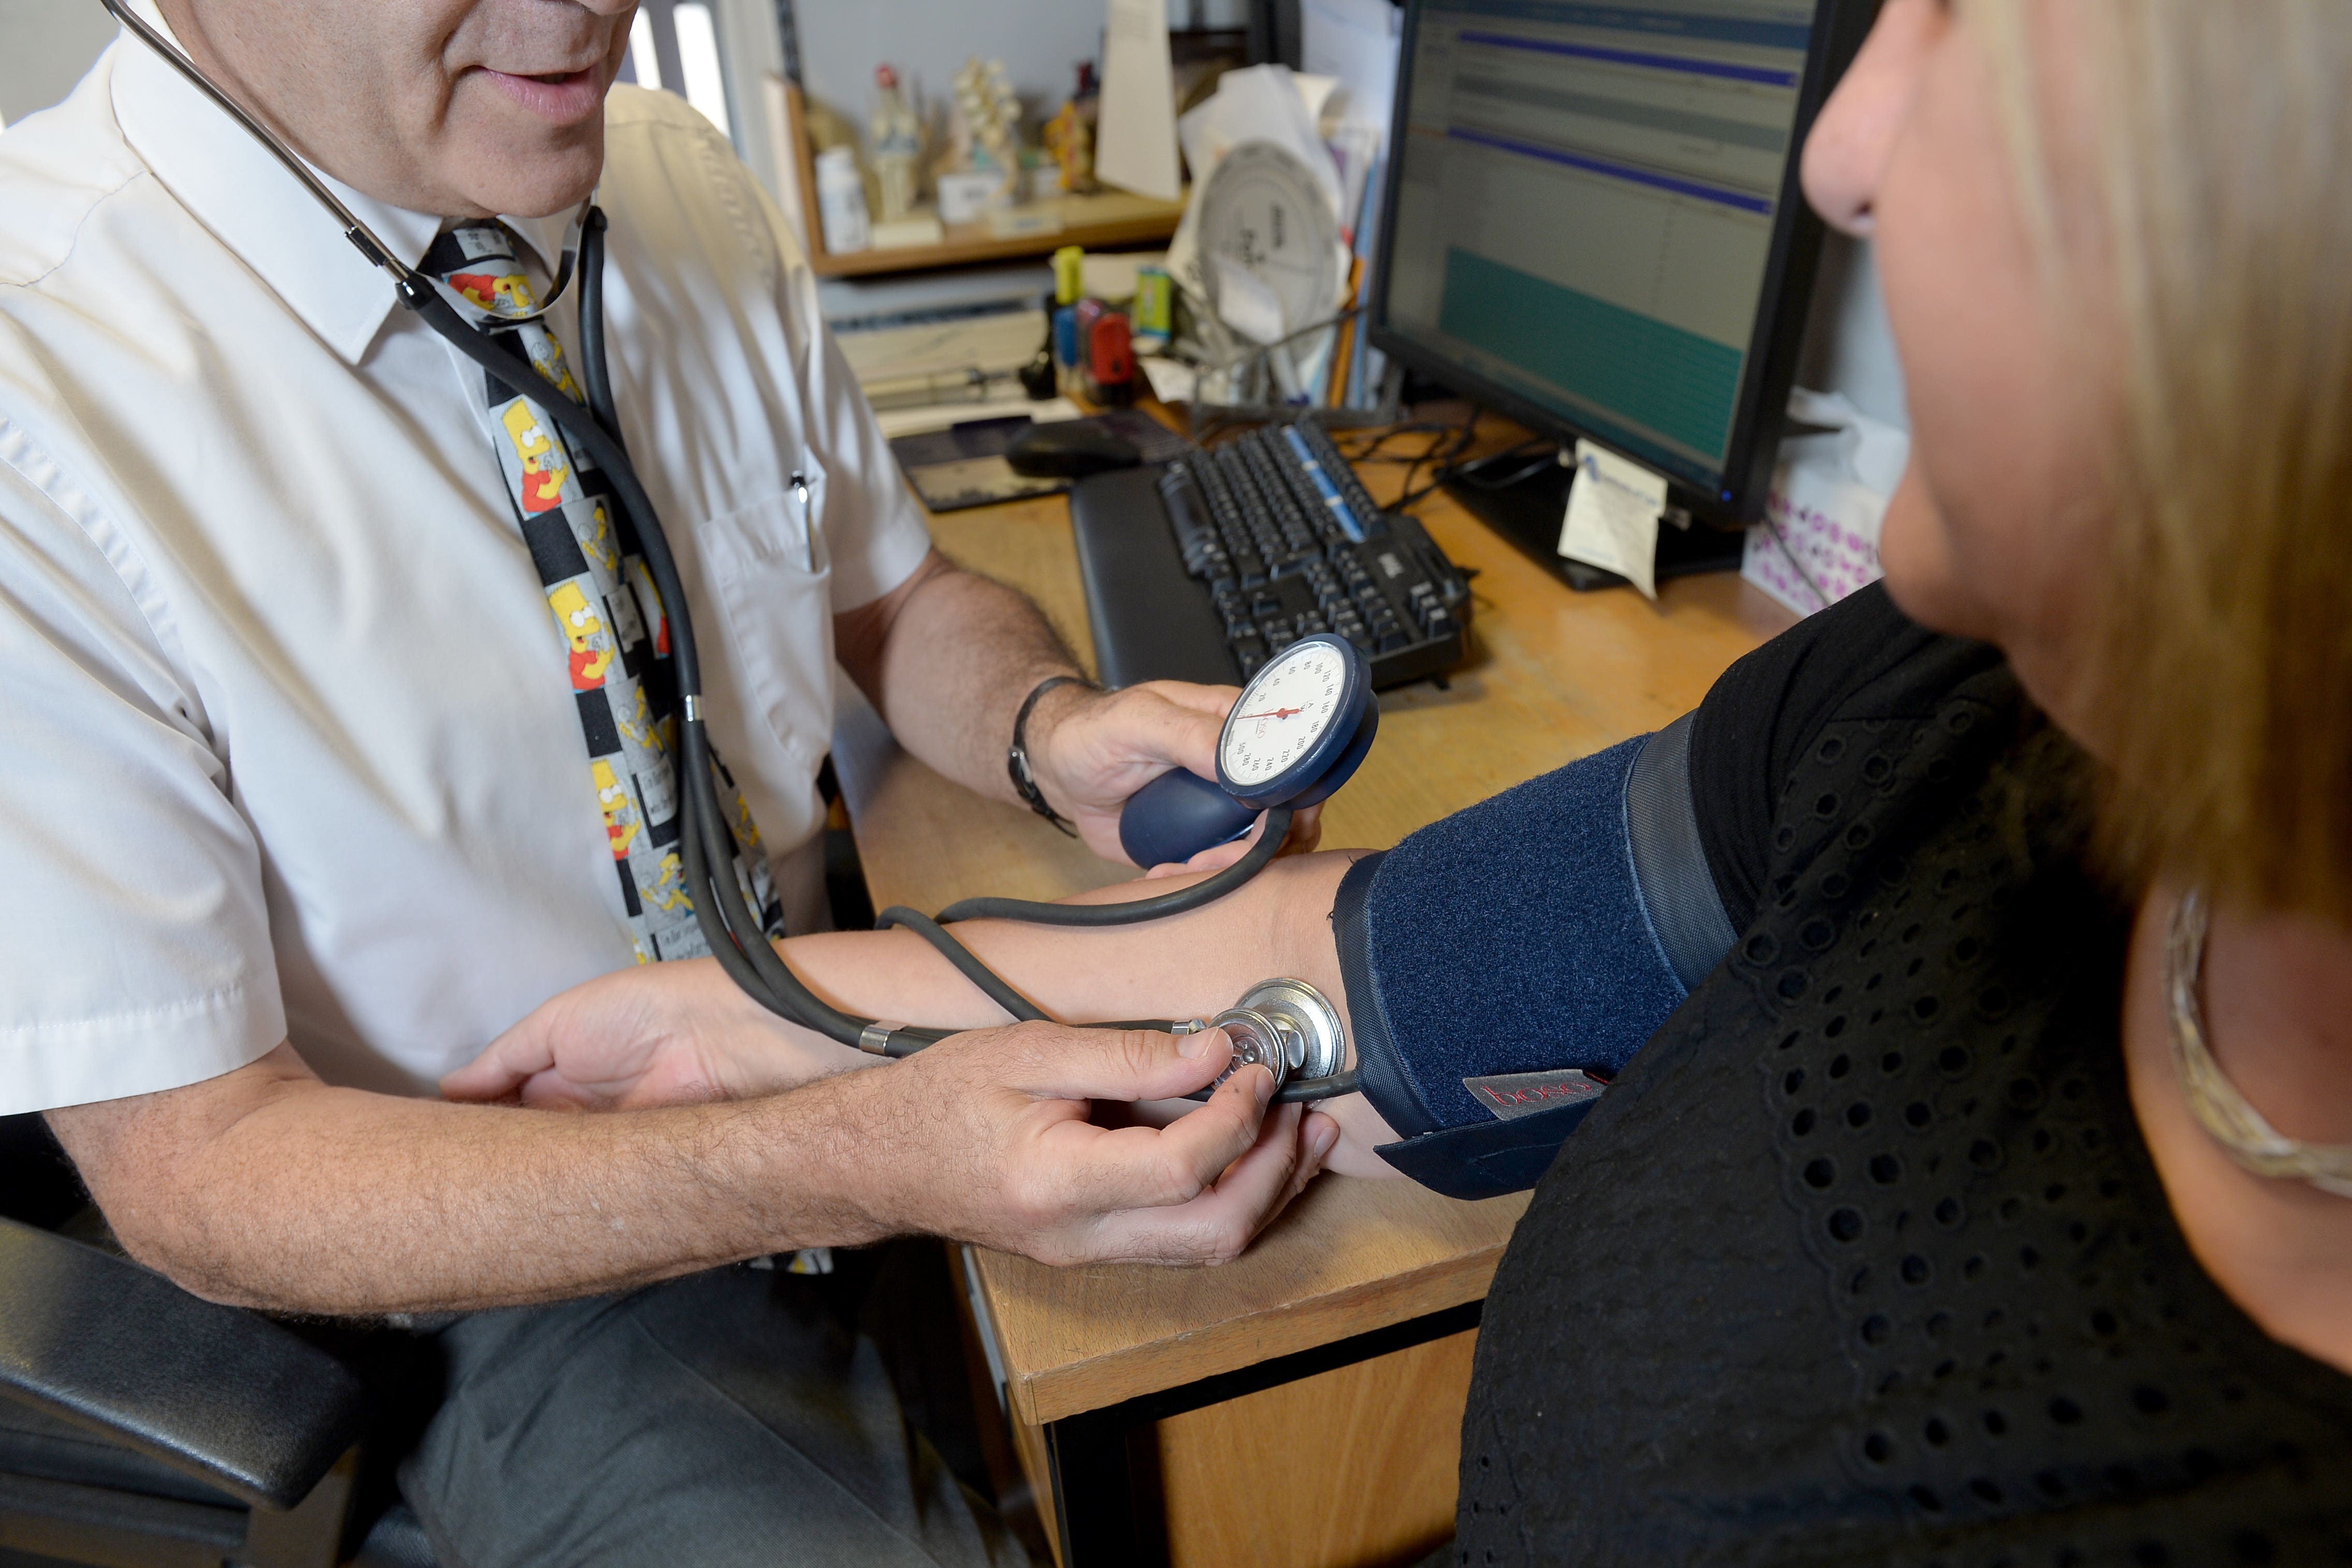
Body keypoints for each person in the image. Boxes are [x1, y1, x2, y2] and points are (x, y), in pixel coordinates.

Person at [462, 0, 2352, 1560]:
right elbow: (1368, 951)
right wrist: (750, 1016)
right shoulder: (1931, 704)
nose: (1840, 152)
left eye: (1975, 25)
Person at [2, 0, 1332, 1561]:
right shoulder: (36, 383)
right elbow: (198, 1174)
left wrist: (1046, 733)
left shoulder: (669, 173)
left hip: (844, 1055)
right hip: (504, 1268)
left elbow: (892, 600)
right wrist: (845, 1164)